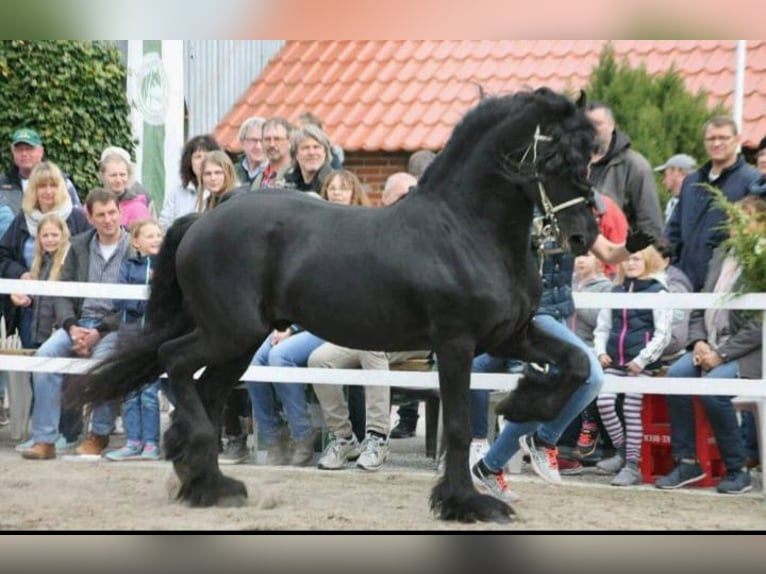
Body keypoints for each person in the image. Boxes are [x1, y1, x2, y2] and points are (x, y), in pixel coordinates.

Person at [470, 222, 655, 501]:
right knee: (591, 376)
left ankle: (490, 466)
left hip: (557, 313)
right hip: (530, 312)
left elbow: (607, 252)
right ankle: (544, 440)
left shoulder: (571, 212)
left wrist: (630, 246)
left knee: (548, 394)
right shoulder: (521, 207)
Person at [655, 195, 764, 494]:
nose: (736, 226)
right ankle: (687, 461)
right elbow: (701, 304)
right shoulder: (720, 255)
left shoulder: (761, 263)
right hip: (709, 345)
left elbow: (759, 326)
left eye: (745, 219)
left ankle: (737, 468)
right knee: (675, 378)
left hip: (748, 355)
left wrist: (722, 354)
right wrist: (699, 342)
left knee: (714, 389)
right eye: (733, 219)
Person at [19, 189, 132, 459]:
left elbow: (134, 304)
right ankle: (44, 439)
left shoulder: (133, 247)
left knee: (104, 364)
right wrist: (71, 327)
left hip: (114, 327)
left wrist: (99, 331)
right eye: (101, 215)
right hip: (77, 323)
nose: (108, 220)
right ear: (89, 218)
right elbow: (63, 292)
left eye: (112, 213)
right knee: (45, 357)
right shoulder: (79, 245)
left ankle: (99, 434)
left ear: (119, 212)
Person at [593, 245, 672, 486]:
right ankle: (622, 451)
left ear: (647, 260)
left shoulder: (658, 292)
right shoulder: (615, 291)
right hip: (616, 360)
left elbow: (663, 333)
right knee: (604, 402)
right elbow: (603, 326)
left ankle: (632, 464)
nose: (630, 264)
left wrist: (642, 360)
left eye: (636, 259)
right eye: (626, 260)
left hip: (642, 364)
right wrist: (600, 352)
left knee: (631, 406)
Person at [664, 116, 761, 292]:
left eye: (723, 138)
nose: (716, 143)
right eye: (711, 138)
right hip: (683, 281)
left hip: (724, 285)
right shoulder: (691, 182)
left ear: (737, 140)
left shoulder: (751, 180)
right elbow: (674, 230)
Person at [104, 219, 164, 461]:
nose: (156, 240)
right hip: (128, 334)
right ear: (136, 242)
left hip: (153, 335)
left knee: (149, 393)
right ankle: (132, 441)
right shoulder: (128, 265)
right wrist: (142, 299)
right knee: (130, 392)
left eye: (159, 235)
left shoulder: (167, 267)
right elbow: (119, 300)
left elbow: (165, 300)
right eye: (150, 236)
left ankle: (151, 443)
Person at [380, 171, 423, 439]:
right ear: (384, 199)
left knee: (372, 350)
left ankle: (377, 433)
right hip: (373, 322)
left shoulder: (422, 239)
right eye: (401, 196)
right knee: (320, 359)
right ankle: (344, 434)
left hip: (413, 331)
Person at [308, 344, 392, 471]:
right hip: (363, 337)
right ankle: (344, 438)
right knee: (318, 360)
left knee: (372, 346)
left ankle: (378, 437)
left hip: (408, 340)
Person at [586, 103, 664, 238]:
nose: (591, 129)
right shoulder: (572, 164)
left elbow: (650, 224)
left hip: (619, 252)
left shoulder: (635, 166)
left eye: (597, 124)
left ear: (612, 126)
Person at [568, 251, 614, 460]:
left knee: (586, 368)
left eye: (586, 255)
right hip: (565, 345)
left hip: (592, 346)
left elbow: (602, 320)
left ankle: (590, 423)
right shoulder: (568, 283)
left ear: (599, 259)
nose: (580, 259)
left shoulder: (607, 287)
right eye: (578, 256)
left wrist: (577, 301)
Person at [0, 128, 81, 237]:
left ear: (41, 151)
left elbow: (77, 218)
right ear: (13, 152)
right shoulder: (2, 184)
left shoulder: (62, 182)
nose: (24, 153)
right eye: (19, 149)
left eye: (29, 149)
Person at [158, 135, 221, 230]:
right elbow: (163, 225)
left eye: (207, 155)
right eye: (198, 157)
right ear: (189, 161)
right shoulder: (177, 193)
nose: (203, 161)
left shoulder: (226, 191)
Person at [98, 148, 153, 228]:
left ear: (129, 175)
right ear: (102, 176)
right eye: (113, 175)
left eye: (122, 175)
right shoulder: (92, 206)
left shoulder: (139, 209)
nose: (118, 180)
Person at [283, 124, 334, 195]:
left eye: (316, 147)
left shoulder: (335, 185)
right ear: (295, 155)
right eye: (305, 148)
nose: (311, 153)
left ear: (325, 152)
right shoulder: (287, 185)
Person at [654, 153, 697, 226]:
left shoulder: (696, 203)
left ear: (676, 171)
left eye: (665, 175)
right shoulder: (672, 203)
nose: (663, 181)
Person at [253, 118, 294, 189]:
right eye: (267, 139)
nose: (272, 144)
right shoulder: (258, 179)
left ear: (290, 141)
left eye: (277, 139)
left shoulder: (298, 175)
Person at [234, 116, 267, 187]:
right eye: (253, 140)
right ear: (242, 142)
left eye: (263, 140)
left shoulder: (276, 173)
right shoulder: (233, 172)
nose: (258, 146)